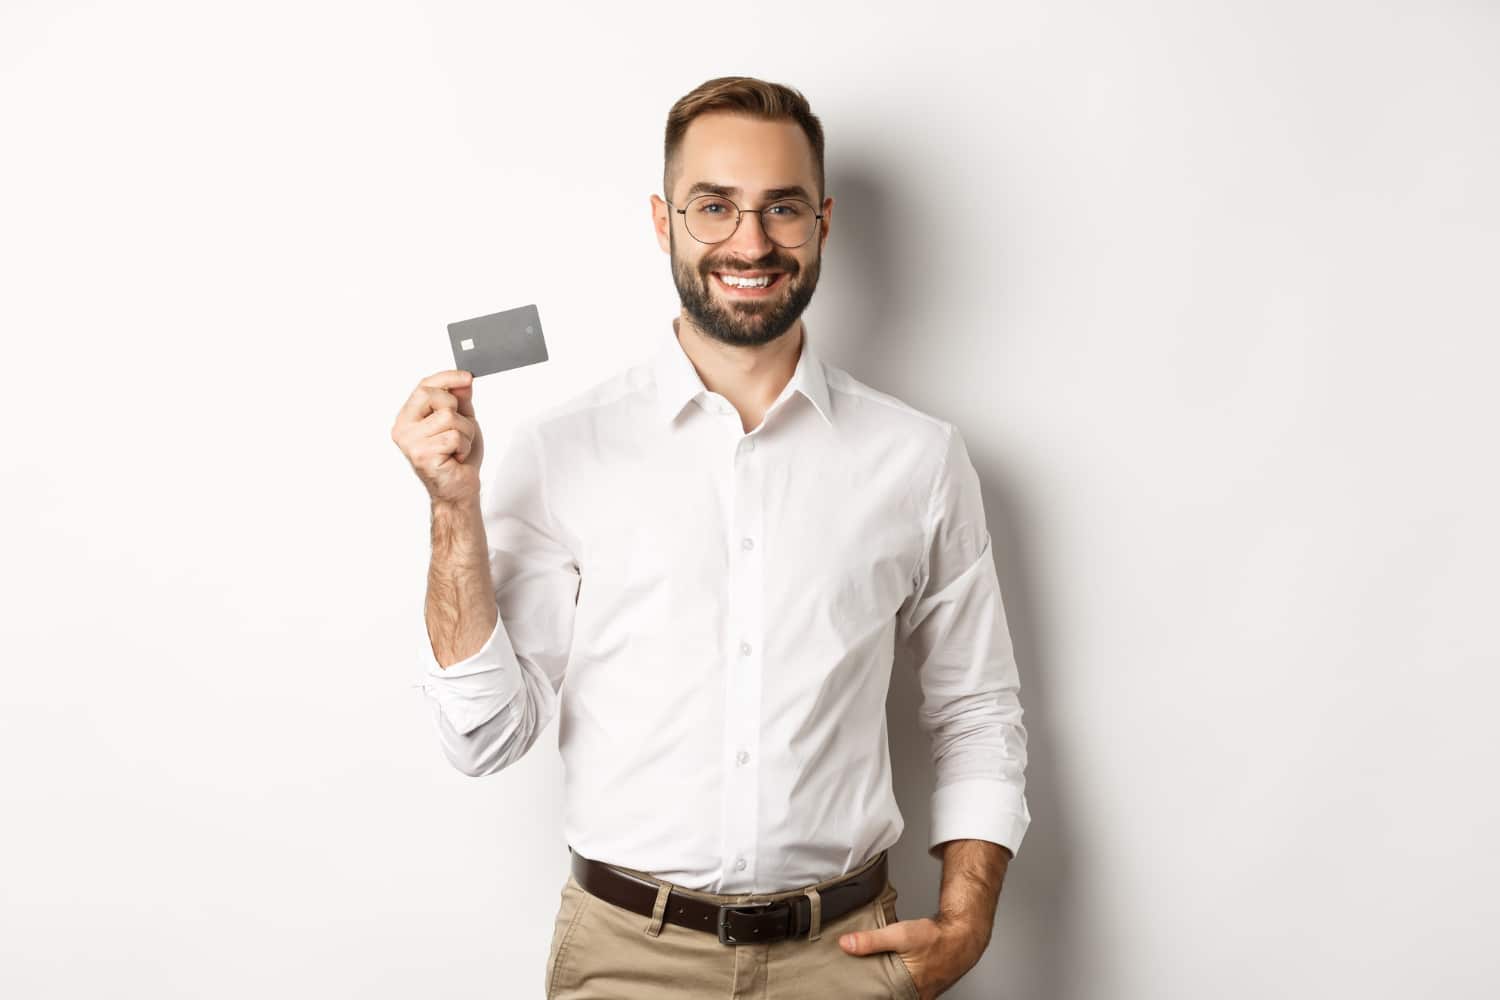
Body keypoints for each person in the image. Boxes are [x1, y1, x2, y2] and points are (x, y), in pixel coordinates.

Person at [391, 76, 1031, 1000]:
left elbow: (976, 709)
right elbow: (485, 736)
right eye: (714, 206)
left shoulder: (920, 459)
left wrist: (969, 920)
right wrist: (453, 510)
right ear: (663, 221)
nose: (751, 241)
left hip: (846, 960)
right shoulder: (562, 450)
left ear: (824, 221)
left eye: (783, 208)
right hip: (627, 962)